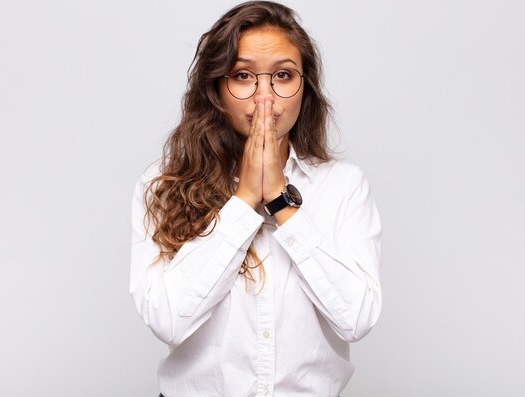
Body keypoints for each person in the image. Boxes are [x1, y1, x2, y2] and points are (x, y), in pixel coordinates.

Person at [130, 1, 382, 396]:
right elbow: (168, 319)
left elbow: (357, 318)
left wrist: (281, 202)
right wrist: (245, 200)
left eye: (283, 75)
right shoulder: (162, 185)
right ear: (216, 88)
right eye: (244, 76)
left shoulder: (343, 186)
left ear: (305, 87)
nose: (265, 97)